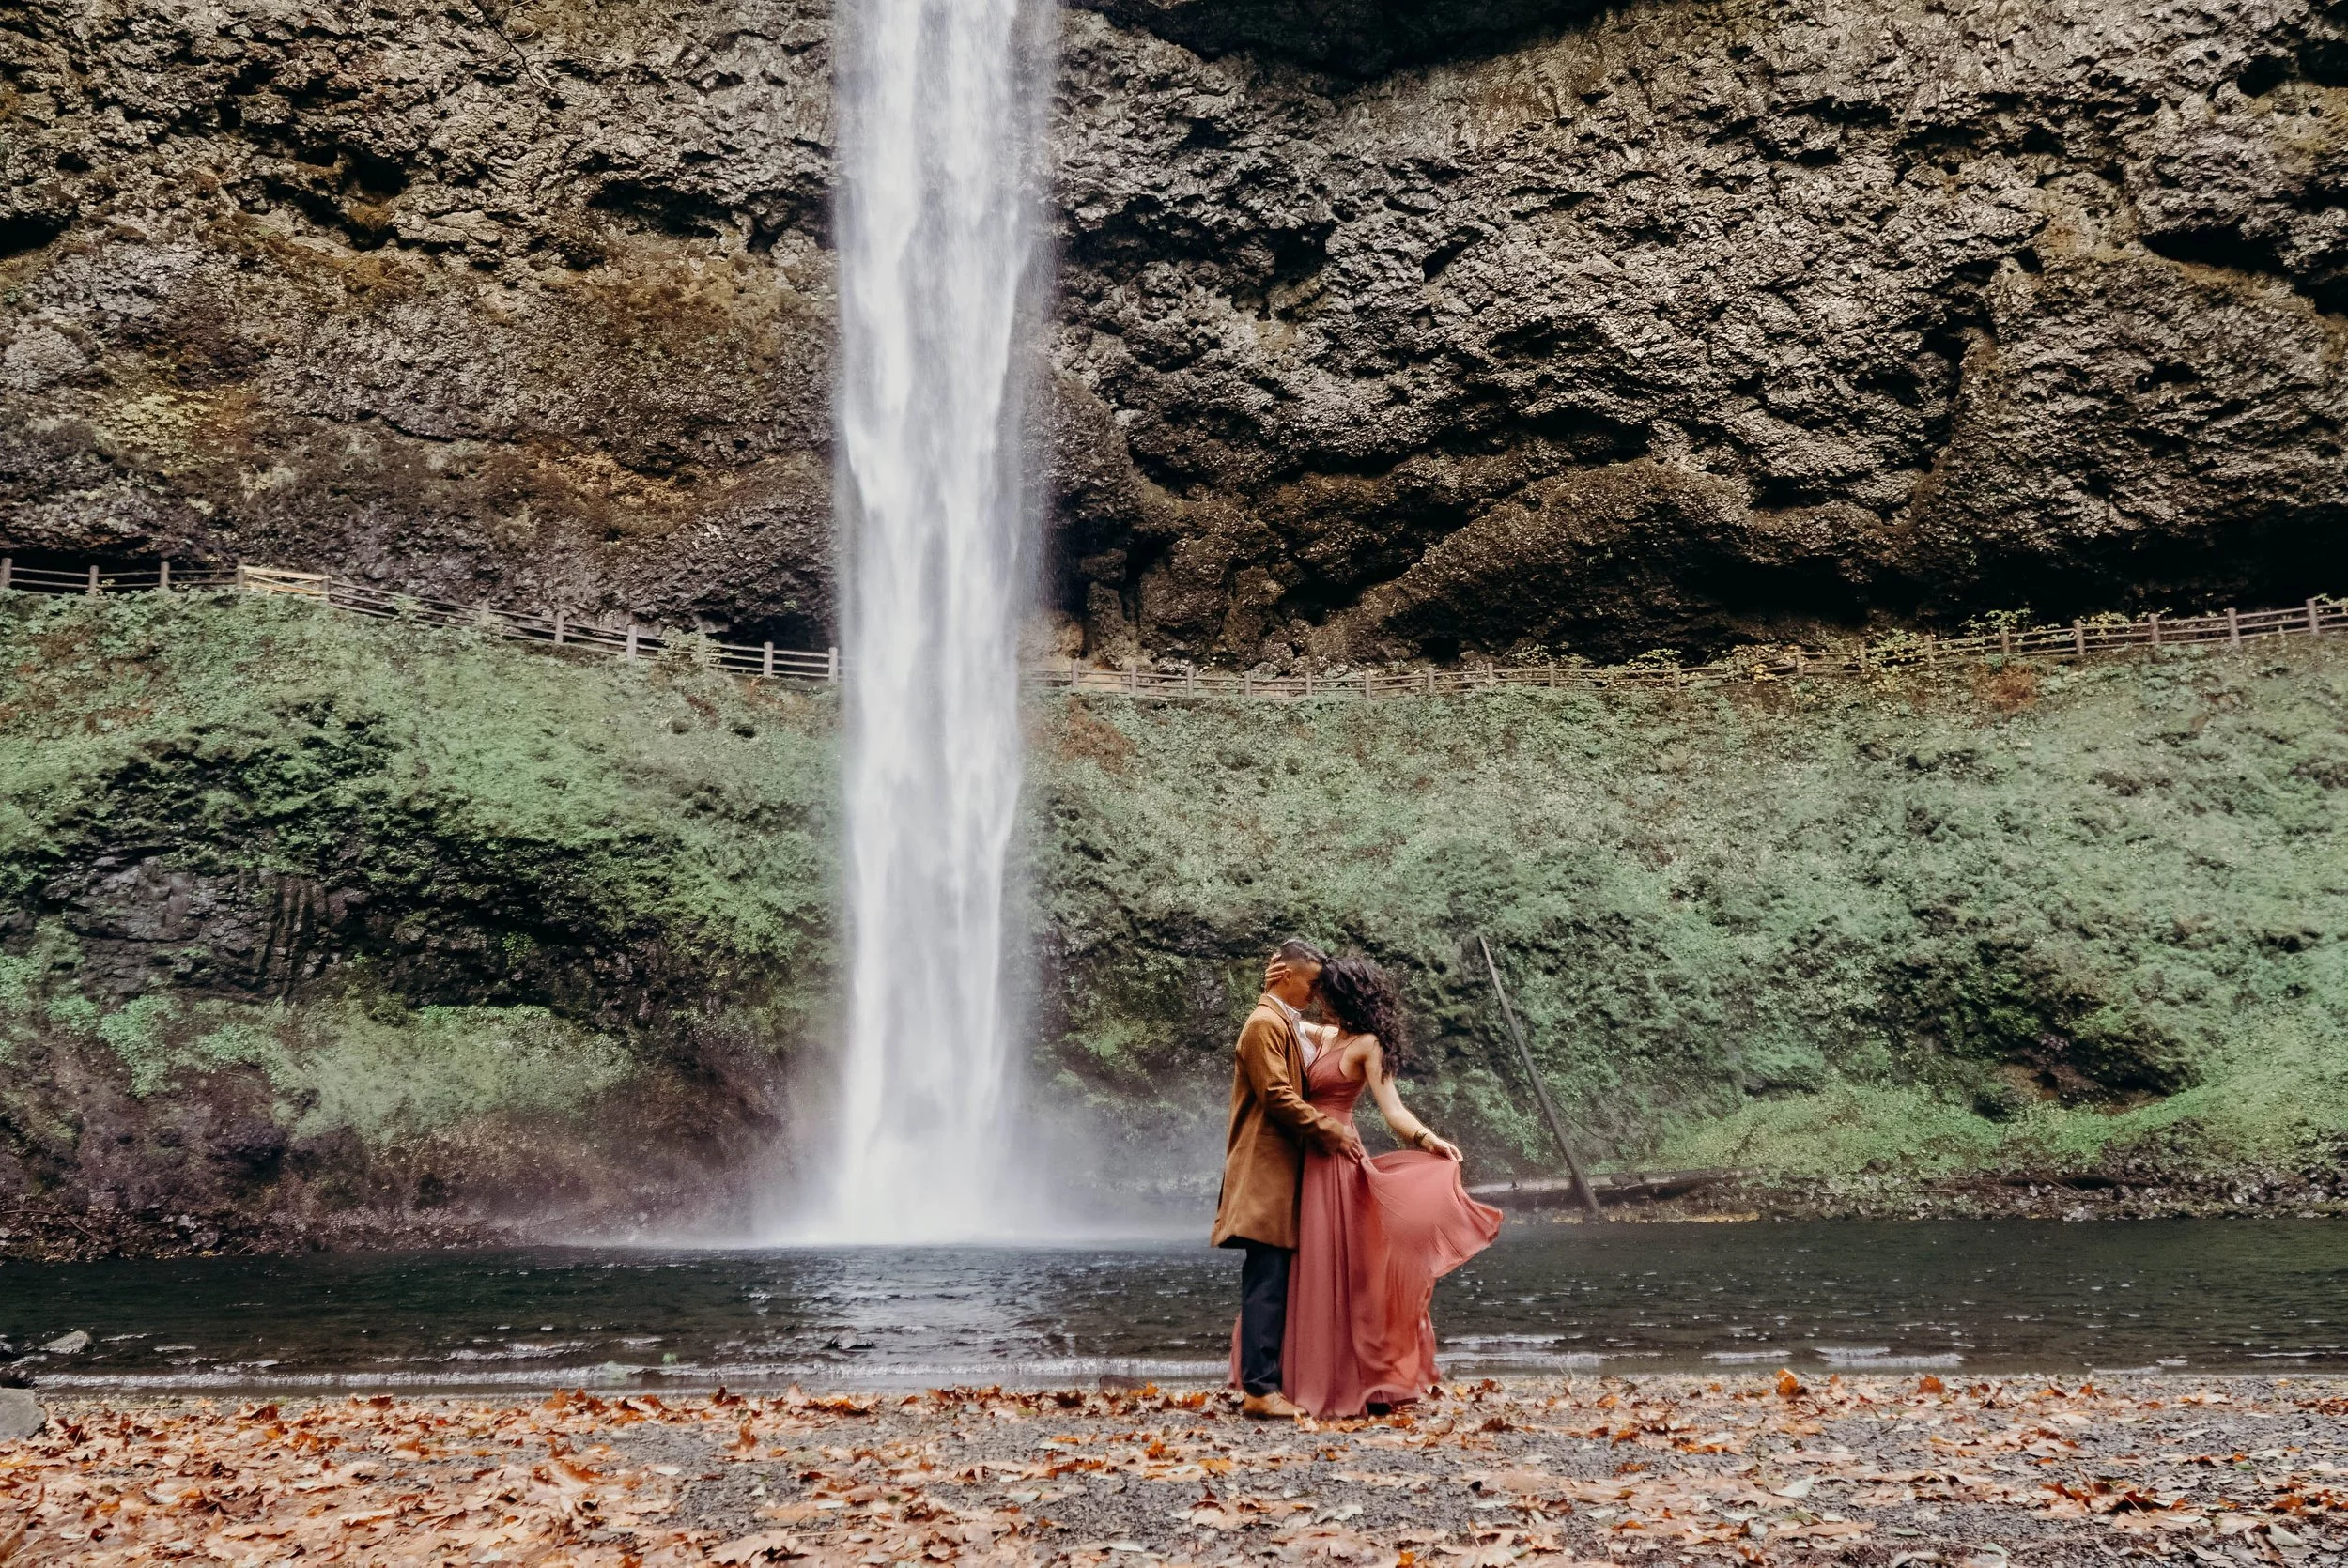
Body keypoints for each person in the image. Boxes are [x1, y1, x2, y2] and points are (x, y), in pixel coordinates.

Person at [1281, 954, 1503, 1419]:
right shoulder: (1322, 1035)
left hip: (1339, 1161)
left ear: (1345, 995)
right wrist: (1277, 984)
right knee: (1311, 1266)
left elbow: (1393, 1111)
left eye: (1325, 990)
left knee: (1353, 1270)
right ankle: (1304, 1377)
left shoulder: (1367, 1045)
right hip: (1307, 1160)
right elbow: (1281, 1023)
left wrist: (1430, 1139)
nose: (1317, 996)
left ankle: (1365, 1379)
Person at [1210, 938, 1361, 1419]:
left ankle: (1269, 1382)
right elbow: (1275, 1094)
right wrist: (1329, 1132)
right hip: (1264, 1172)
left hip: (1281, 1173)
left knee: (1274, 1277)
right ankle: (1259, 1390)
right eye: (1312, 983)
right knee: (1266, 1280)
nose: (1316, 994)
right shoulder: (1263, 1025)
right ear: (1283, 977)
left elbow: (1332, 1034)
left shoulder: (1284, 1022)